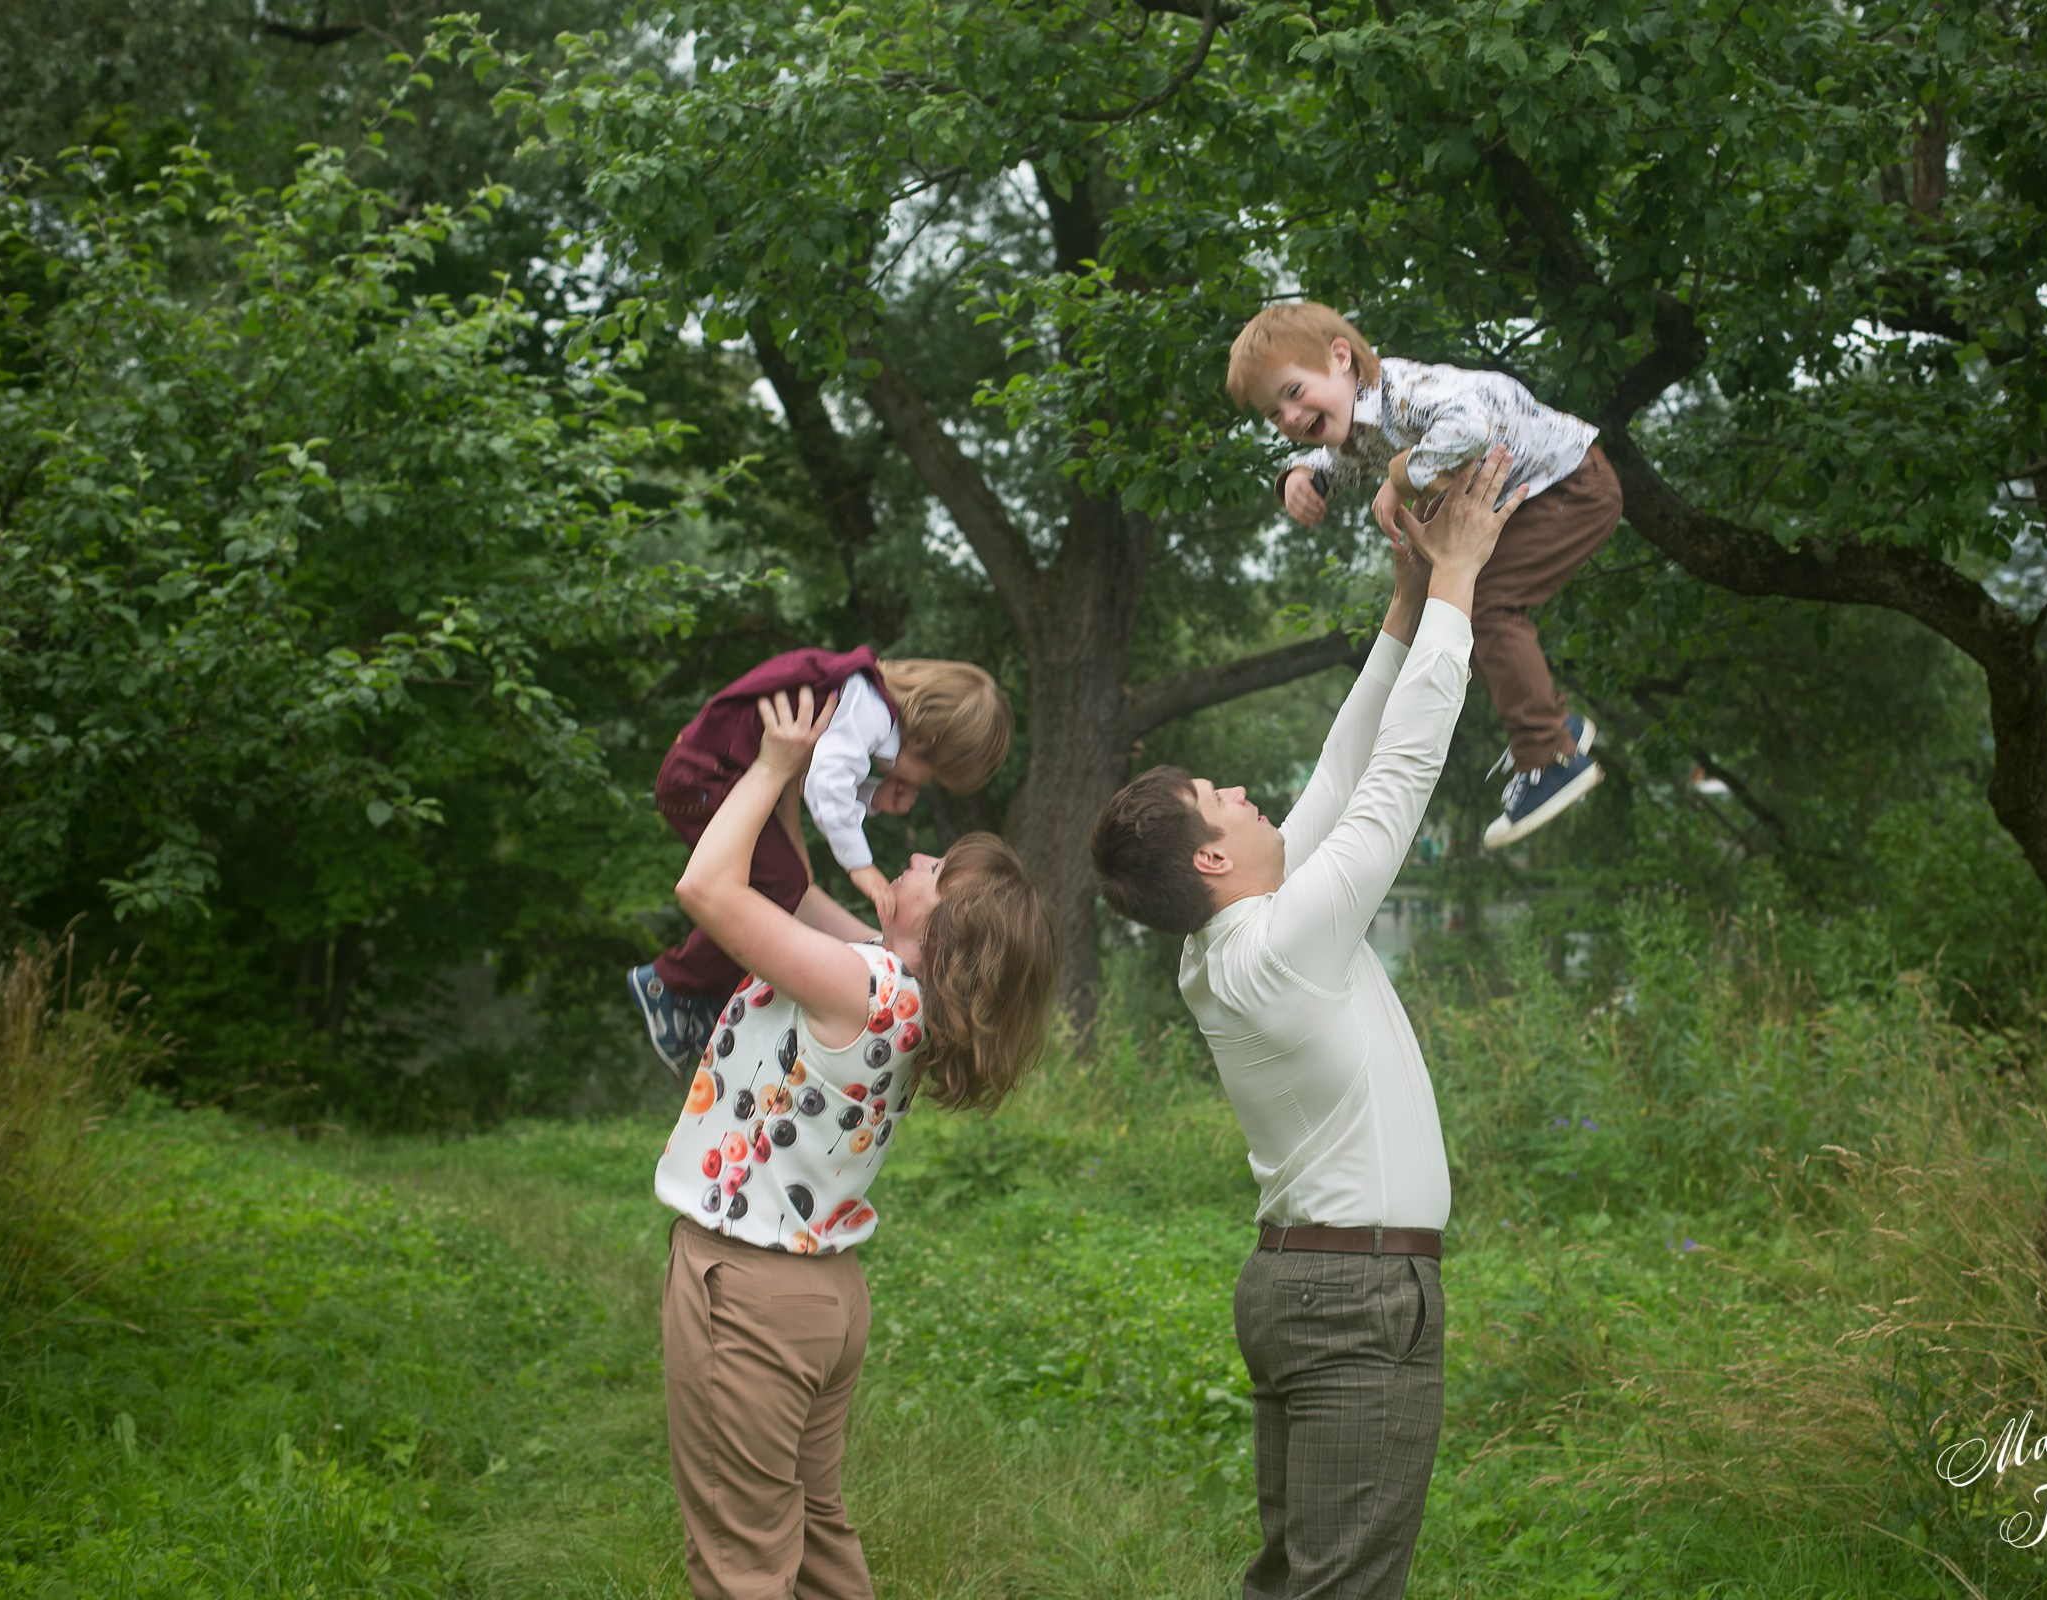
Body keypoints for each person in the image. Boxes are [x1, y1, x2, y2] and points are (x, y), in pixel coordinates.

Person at [1088, 449, 1526, 1600]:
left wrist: (1402, 590)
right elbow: (1394, 780)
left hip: (1305, 1282)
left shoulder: (1233, 945)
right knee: (1341, 1585)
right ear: (1213, 858)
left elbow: (1340, 765)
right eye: (1218, 799)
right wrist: (1458, 583)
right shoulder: (1282, 947)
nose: (1241, 789)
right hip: (1356, 1296)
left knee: (1298, 1578)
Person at [658, 684, 1057, 1600]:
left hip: (748, 1293)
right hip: (824, 1299)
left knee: (741, 1561)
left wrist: (763, 769)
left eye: (934, 869)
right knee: (815, 1532)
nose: (913, 857)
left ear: (939, 925)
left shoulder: (859, 989)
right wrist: (794, 780)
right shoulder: (897, 992)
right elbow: (790, 893)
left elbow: (707, 888)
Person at [1227, 301, 1623, 848]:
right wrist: (1300, 475)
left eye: (1294, 393)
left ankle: (1551, 756)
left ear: (1340, 358)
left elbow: (1470, 428)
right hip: (1538, 496)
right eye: (1275, 415)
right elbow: (1342, 457)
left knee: (1485, 607)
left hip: (1571, 487)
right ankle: (1555, 729)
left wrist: (1399, 476)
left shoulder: (1405, 391)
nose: (1291, 419)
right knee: (1454, 606)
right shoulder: (1353, 422)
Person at [630, 648, 1012, 1074]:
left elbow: (821, 778)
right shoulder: (867, 708)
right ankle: (674, 982)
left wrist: (870, 794)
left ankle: (693, 987)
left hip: (714, 771)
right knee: (781, 886)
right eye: (933, 775)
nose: (919, 857)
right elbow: (825, 787)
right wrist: (859, 863)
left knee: (784, 884)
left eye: (935, 869)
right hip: (709, 776)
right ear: (925, 743)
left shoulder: (863, 699)